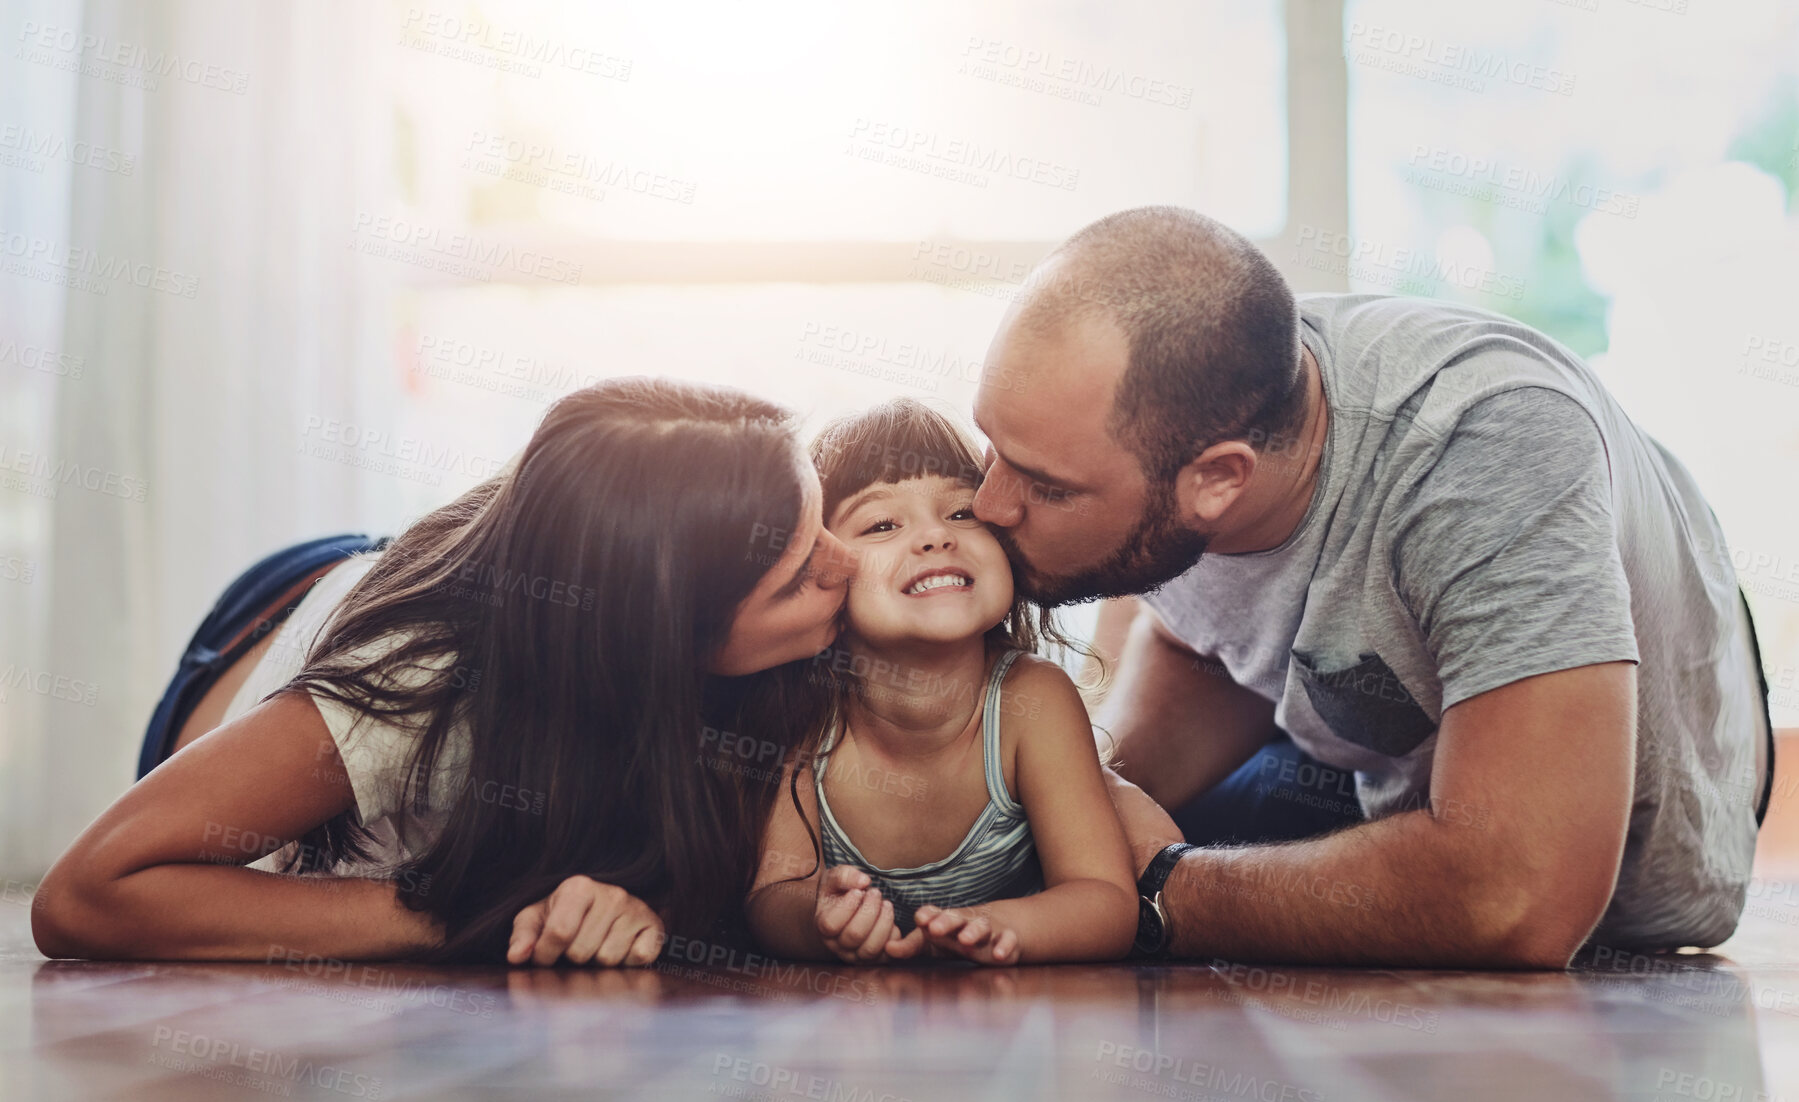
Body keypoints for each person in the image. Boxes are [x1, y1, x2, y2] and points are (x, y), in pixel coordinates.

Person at [968, 206, 1775, 968]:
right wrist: (1073, 797)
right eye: (992, 446)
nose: (989, 504)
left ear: (1219, 479)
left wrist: (1150, 889)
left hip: (1617, 863)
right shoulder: (1193, 390)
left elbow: (1519, 896)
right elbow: (1198, 644)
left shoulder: (1489, 445)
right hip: (1363, 756)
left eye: (1046, 485)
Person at [32, 378, 858, 965]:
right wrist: (480, 914)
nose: (845, 563)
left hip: (421, 563)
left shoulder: (670, 626)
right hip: (266, 633)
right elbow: (85, 895)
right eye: (798, 576)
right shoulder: (414, 689)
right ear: (657, 636)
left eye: (823, 524)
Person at [746, 400, 1137, 965]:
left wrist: (1001, 926)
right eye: (882, 524)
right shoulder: (803, 711)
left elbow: (1105, 902)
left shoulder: (1031, 701)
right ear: (823, 569)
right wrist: (818, 919)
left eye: (960, 514)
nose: (935, 538)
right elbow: (769, 898)